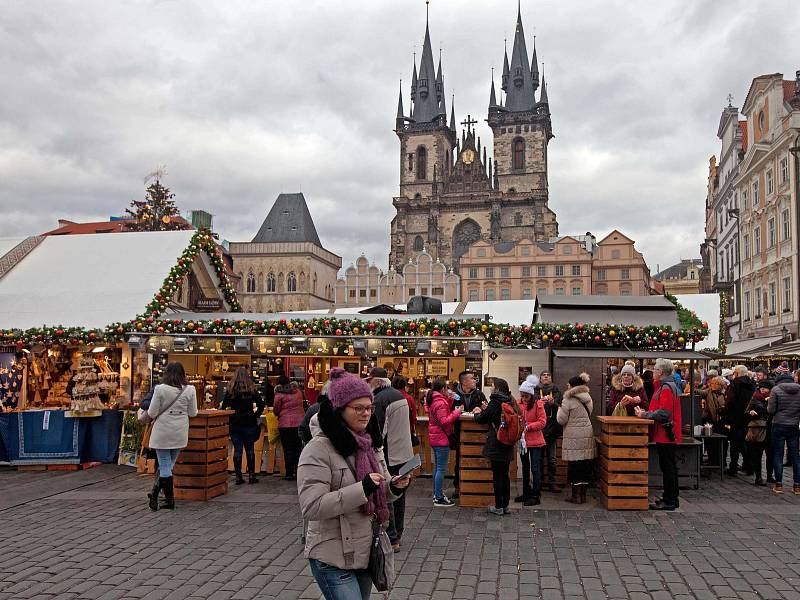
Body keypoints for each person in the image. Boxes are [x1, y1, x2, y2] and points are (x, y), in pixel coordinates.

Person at [298, 368, 410, 600]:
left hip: (364, 552)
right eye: (358, 408)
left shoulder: (369, 445)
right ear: (340, 409)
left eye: (369, 408)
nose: (366, 414)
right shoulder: (318, 449)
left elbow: (381, 489)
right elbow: (312, 506)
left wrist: (394, 487)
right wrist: (362, 489)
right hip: (332, 556)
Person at [368, 367, 414, 551]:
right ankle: (398, 533)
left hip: (390, 453)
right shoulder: (398, 395)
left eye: (370, 381)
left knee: (388, 495)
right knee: (399, 494)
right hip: (404, 452)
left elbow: (378, 431)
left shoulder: (380, 399)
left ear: (377, 382)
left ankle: (392, 537)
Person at [146, 362, 198, 511]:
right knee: (168, 465)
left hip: (162, 431)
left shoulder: (160, 389)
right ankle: (155, 493)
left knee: (164, 465)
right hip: (179, 431)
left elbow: (152, 413)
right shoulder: (190, 390)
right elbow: (193, 413)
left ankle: (168, 499)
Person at [634, 357, 682, 511]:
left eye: (655, 369)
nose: (653, 371)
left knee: (668, 467)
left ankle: (670, 500)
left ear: (661, 372)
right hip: (666, 432)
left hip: (667, 433)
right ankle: (671, 497)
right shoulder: (666, 386)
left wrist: (645, 415)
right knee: (669, 467)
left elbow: (664, 413)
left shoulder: (667, 388)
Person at [473, 377, 517, 515]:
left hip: (497, 443)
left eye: (492, 385)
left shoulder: (495, 402)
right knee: (505, 475)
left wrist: (477, 413)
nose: (490, 387)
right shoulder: (510, 400)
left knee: (497, 476)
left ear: (497, 388)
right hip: (508, 443)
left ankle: (498, 507)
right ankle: (505, 506)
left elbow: (482, 419)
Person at [557, 372, 596, 504]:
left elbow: (561, 420)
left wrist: (558, 409)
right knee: (585, 465)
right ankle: (583, 496)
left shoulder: (568, 399)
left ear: (573, 386)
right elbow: (589, 413)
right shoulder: (588, 397)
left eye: (568, 384)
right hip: (587, 433)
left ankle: (575, 496)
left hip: (573, 434)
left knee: (574, 466)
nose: (566, 386)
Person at [221, 367, 265, 485]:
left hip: (235, 423)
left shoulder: (231, 390)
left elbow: (223, 407)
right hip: (249, 422)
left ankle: (238, 476)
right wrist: (255, 415)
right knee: (250, 449)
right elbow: (261, 404)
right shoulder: (251, 389)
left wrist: (230, 415)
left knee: (238, 449)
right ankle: (251, 475)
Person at [426, 378, 463, 507]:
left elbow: (441, 411)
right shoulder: (440, 402)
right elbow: (445, 421)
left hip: (435, 438)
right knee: (441, 468)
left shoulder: (433, 400)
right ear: (442, 389)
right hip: (441, 438)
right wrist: (457, 412)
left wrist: (450, 399)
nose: (448, 390)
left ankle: (437, 494)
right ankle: (439, 497)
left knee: (437, 467)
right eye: (446, 388)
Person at [767, 368, 800, 495]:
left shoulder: (776, 390)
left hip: (779, 424)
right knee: (795, 456)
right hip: (793, 425)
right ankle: (797, 486)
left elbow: (770, 410)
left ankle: (779, 485)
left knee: (778, 455)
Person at [515, 375, 546, 506]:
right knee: (525, 468)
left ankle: (536, 495)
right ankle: (526, 492)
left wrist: (529, 426)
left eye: (526, 396)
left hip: (535, 441)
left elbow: (543, 422)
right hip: (523, 441)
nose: (523, 398)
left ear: (531, 395)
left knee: (535, 468)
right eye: (522, 395)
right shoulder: (518, 403)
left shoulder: (538, 404)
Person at [724, 365, 755, 476]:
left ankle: (733, 467)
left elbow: (729, 401)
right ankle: (749, 466)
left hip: (736, 417)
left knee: (735, 444)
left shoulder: (734, 384)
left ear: (737, 373)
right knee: (745, 442)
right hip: (748, 417)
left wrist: (727, 412)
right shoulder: (752, 384)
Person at [273, 374, 305, 481]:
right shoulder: (298, 391)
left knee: (288, 449)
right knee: (298, 448)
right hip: (299, 423)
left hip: (285, 424)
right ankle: (299, 472)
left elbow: (276, 410)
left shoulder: (279, 394)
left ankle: (289, 474)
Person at [536, 370, 563, 492]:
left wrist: (553, 403)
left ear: (551, 378)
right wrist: (539, 403)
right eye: (544, 375)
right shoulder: (536, 391)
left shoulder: (556, 390)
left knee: (552, 459)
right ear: (540, 378)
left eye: (548, 375)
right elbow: (531, 405)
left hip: (552, 428)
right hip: (539, 429)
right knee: (539, 458)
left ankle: (552, 483)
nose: (546, 377)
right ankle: (539, 482)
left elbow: (561, 406)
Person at [745, 379, 771, 487]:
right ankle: (758, 477)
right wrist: (750, 412)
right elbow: (747, 411)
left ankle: (770, 476)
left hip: (770, 428)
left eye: (765, 388)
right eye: (761, 388)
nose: (763, 390)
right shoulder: (755, 397)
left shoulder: (773, 397)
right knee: (757, 454)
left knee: (770, 454)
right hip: (758, 429)